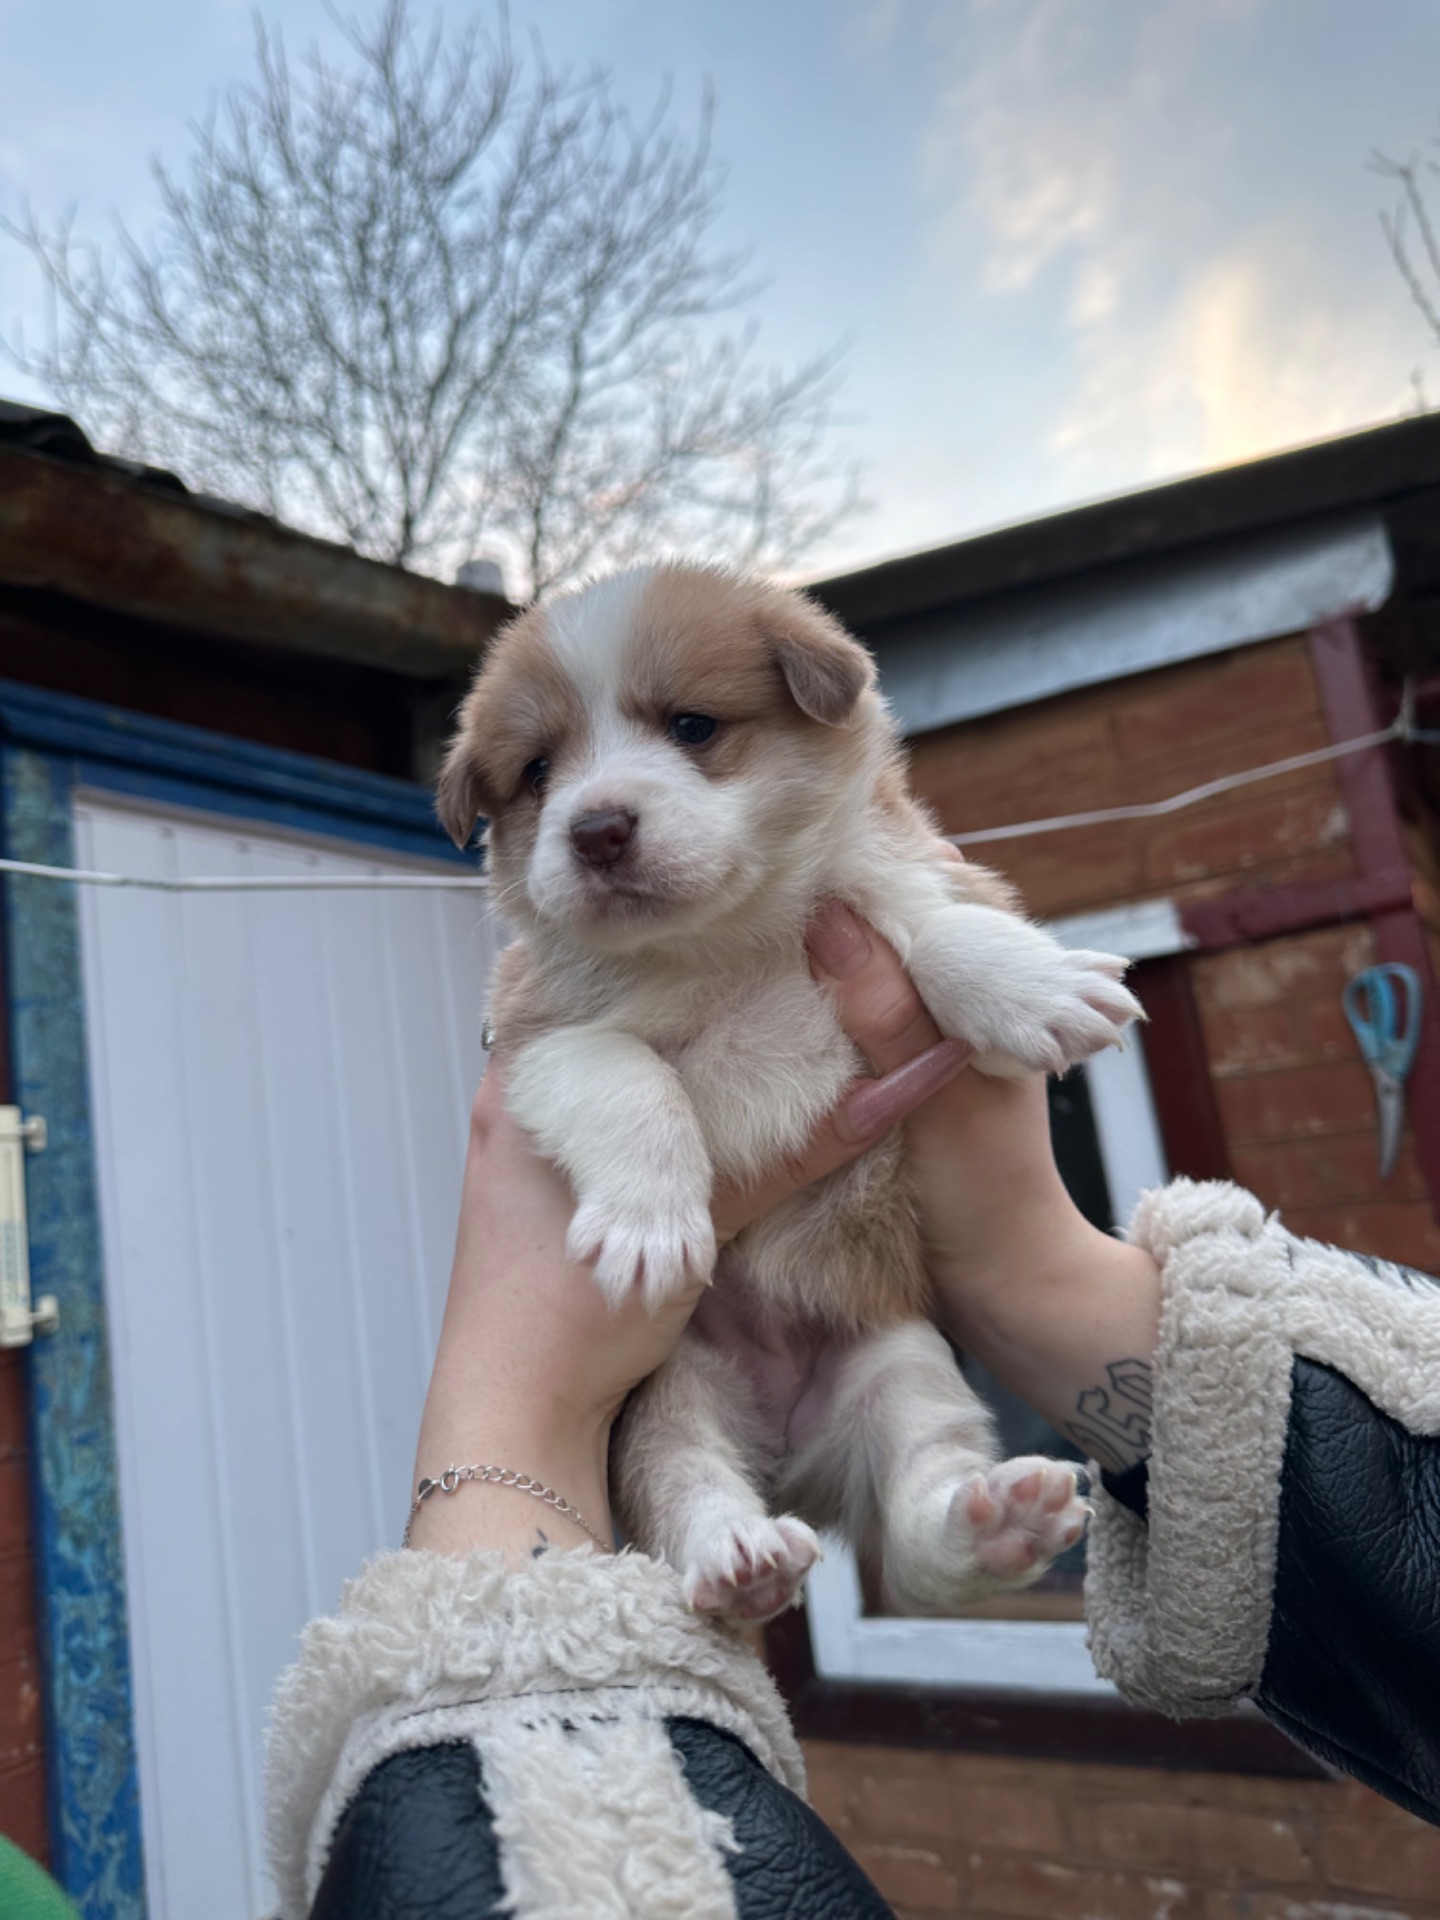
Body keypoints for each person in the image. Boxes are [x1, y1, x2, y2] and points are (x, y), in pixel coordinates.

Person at [266, 905, 1440, 1919]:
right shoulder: (567, 958)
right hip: (686, 1337)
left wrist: (507, 1418)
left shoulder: (850, 868)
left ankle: (932, 1524)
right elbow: (562, 1059)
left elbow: (926, 908)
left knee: (901, 1375)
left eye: (691, 729)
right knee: (675, 1426)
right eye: (539, 774)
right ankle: (714, 1529)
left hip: (849, 1305)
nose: (602, 805)